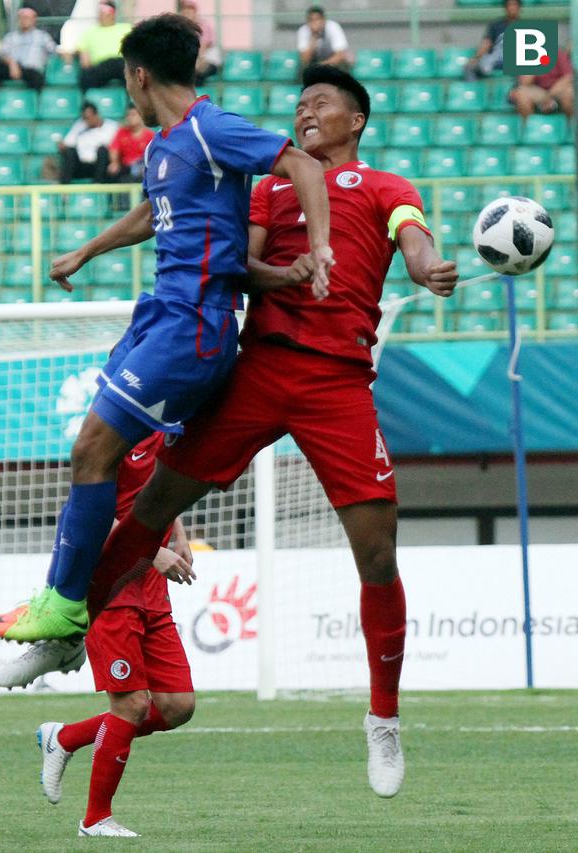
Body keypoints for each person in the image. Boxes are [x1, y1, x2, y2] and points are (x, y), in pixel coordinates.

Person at [33, 65, 458, 799]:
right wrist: (286, 273)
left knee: (378, 552)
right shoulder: (268, 188)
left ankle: (383, 718)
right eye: (299, 104)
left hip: (338, 384)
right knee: (150, 511)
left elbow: (413, 242)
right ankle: (68, 624)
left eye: (321, 102)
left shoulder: (388, 188)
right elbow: (242, 265)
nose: (306, 111)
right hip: (255, 372)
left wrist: (427, 269)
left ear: (355, 120)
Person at [0, 14, 332, 644]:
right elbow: (153, 211)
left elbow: (302, 166)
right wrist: (87, 251)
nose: (126, 98)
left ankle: (66, 606)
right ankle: (66, 602)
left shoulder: (210, 126)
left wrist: (321, 248)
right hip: (159, 316)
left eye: (126, 85)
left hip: (194, 326)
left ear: (140, 77)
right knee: (103, 457)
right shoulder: (164, 145)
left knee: (95, 449)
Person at [0, 433, 195, 838]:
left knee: (177, 706)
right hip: (111, 588)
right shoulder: (114, 432)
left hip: (153, 591)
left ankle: (64, 737)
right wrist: (152, 551)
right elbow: (89, 515)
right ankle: (95, 820)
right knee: (131, 704)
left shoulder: (166, 426)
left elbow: (163, 487)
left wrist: (179, 533)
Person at [0, 6, 56, 108]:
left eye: (27, 17)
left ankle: (38, 106)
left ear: (34, 19)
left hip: (31, 70)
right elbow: (2, 54)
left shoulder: (43, 37)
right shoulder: (11, 37)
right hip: (12, 68)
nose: (25, 20)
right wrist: (12, 64)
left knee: (37, 77)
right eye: (22, 17)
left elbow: (54, 51)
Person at [58, 100, 119, 183]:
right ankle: (64, 189)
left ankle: (98, 186)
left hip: (100, 165)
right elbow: (67, 144)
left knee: (102, 150)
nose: (85, 121)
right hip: (82, 165)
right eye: (84, 118)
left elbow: (116, 147)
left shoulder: (112, 127)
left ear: (96, 114)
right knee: (70, 152)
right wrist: (62, 145)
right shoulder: (79, 125)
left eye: (87, 118)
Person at [77, 1, 132, 91]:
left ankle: (131, 103)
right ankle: (88, 102)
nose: (101, 15)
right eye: (100, 12)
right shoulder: (89, 33)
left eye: (104, 12)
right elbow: (85, 61)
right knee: (85, 75)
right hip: (101, 66)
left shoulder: (126, 28)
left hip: (122, 64)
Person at [464, 0, 521, 81]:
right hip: (496, 59)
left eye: (514, 5)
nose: (512, 8)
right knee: (470, 67)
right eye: (509, 5)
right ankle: (474, 91)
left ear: (519, 8)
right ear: (505, 8)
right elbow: (486, 43)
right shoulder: (496, 25)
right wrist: (476, 57)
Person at [510, 46, 574, 118]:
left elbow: (568, 77)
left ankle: (571, 126)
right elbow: (525, 82)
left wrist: (550, 95)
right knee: (521, 94)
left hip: (557, 89)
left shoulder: (558, 53)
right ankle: (528, 126)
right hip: (538, 90)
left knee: (569, 93)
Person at [106, 104, 155, 182]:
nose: (130, 118)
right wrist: (114, 162)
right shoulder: (121, 132)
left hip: (142, 168)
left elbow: (153, 156)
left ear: (141, 116)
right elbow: (114, 149)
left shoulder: (150, 135)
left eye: (133, 115)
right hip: (126, 168)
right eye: (128, 115)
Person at [177, 0, 221, 85]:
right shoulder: (181, 28)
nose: (187, 13)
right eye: (185, 10)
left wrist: (196, 61)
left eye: (190, 11)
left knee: (196, 74)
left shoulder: (204, 26)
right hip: (192, 61)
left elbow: (203, 47)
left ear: (195, 12)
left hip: (207, 60)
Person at [297, 6, 350, 71]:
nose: (314, 23)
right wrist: (314, 37)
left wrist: (322, 65)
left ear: (323, 20)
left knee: (343, 65)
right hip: (314, 62)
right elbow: (304, 59)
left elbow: (340, 55)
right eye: (311, 20)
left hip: (332, 61)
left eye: (317, 19)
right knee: (302, 69)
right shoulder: (303, 31)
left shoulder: (333, 27)